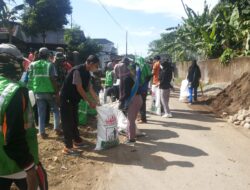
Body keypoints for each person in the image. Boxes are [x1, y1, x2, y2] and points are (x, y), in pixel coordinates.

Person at [0, 44, 41, 190]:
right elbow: (13, 138)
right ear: (10, 63)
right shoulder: (15, 91)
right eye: (18, 62)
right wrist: (29, 167)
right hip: (18, 165)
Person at [60, 55, 100, 155]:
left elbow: (89, 88)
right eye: (96, 65)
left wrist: (97, 100)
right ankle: (67, 147)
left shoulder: (87, 73)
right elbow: (79, 88)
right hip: (66, 99)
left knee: (74, 120)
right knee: (67, 123)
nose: (97, 68)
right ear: (90, 63)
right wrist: (89, 101)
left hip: (73, 100)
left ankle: (77, 141)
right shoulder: (77, 71)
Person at [28, 47, 61, 138]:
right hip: (49, 91)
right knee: (55, 110)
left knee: (40, 113)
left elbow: (30, 79)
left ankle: (41, 132)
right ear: (48, 55)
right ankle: (57, 128)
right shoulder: (50, 65)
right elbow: (53, 79)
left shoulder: (32, 64)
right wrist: (57, 92)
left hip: (38, 92)